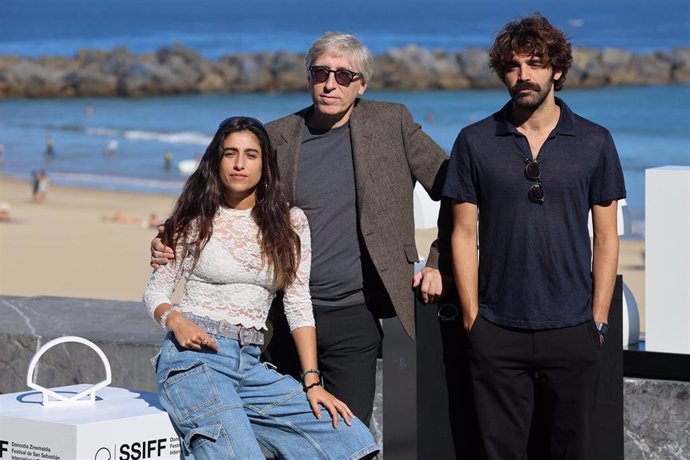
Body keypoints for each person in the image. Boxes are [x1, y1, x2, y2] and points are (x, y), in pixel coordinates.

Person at [151, 32, 451, 425]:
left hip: (354, 314)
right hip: (280, 316)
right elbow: (224, 195)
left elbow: (455, 187)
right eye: (321, 72)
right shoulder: (276, 135)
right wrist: (170, 236)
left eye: (344, 76)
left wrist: (439, 259)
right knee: (284, 436)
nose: (330, 84)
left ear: (361, 84)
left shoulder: (391, 122)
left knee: (347, 436)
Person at [442, 14, 626, 459]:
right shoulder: (474, 140)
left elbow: (606, 237)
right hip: (497, 327)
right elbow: (463, 234)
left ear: (557, 70)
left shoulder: (594, 141)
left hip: (572, 325)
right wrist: (472, 318)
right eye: (512, 65)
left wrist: (597, 319)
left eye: (536, 63)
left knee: (571, 451)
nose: (523, 75)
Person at [143, 116, 378, 459]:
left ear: (266, 164)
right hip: (193, 361)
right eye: (230, 153)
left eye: (251, 155)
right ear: (216, 160)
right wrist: (176, 321)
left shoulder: (291, 223)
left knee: (351, 441)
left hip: (252, 366)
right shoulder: (192, 220)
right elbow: (155, 293)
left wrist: (312, 381)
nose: (240, 163)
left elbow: (298, 304)